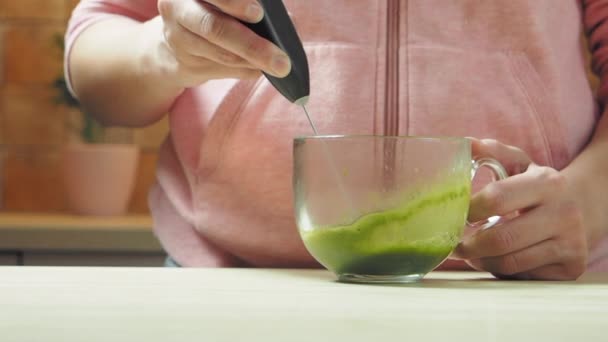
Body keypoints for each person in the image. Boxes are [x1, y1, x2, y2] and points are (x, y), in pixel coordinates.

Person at [64, 0, 608, 280]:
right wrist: (165, 50)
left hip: (525, 288)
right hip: (228, 287)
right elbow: (96, 63)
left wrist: (581, 201)